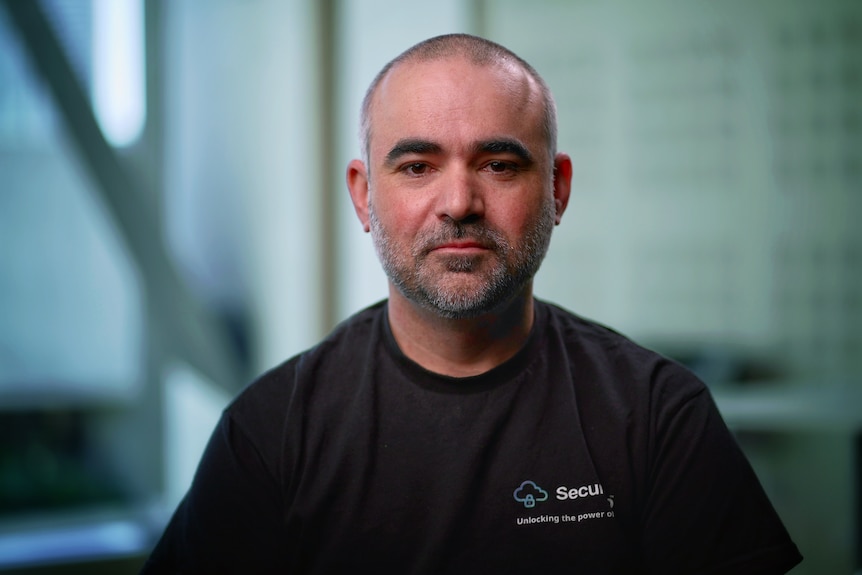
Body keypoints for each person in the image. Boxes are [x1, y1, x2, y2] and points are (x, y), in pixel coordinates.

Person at [141, 33, 802, 574]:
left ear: (558, 189)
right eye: (417, 166)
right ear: (364, 195)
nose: (459, 202)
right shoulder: (272, 433)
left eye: (499, 164)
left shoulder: (658, 418)